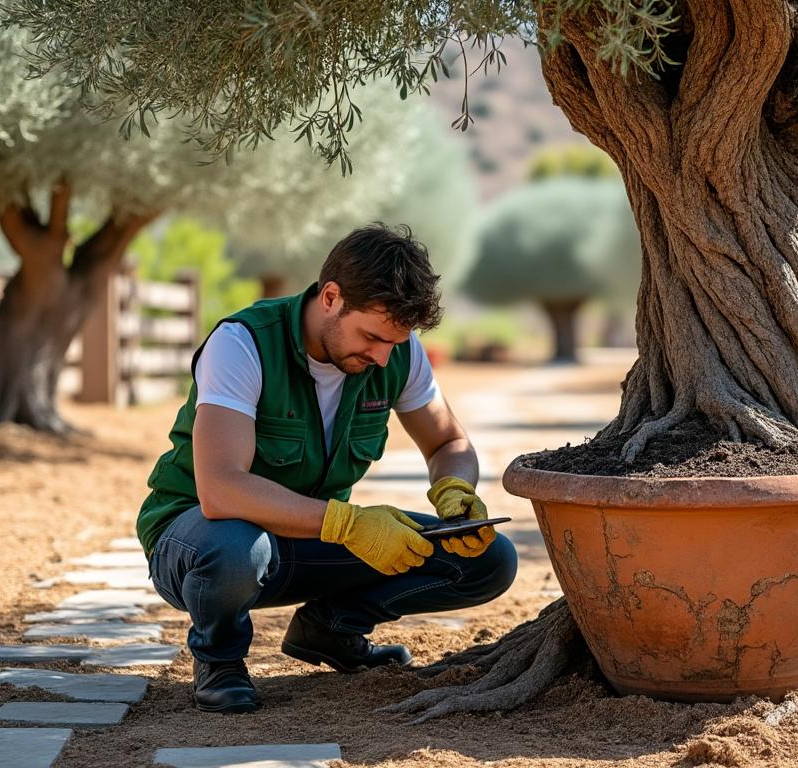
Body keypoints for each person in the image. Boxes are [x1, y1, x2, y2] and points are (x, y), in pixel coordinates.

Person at [136, 224, 517, 714]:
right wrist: (348, 523)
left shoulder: (395, 351)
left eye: (394, 343)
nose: (383, 357)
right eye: (373, 337)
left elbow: (448, 440)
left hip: (307, 538)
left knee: (489, 561)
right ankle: (220, 661)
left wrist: (453, 488)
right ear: (332, 297)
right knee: (235, 548)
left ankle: (330, 630)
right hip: (199, 543)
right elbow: (220, 490)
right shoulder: (243, 343)